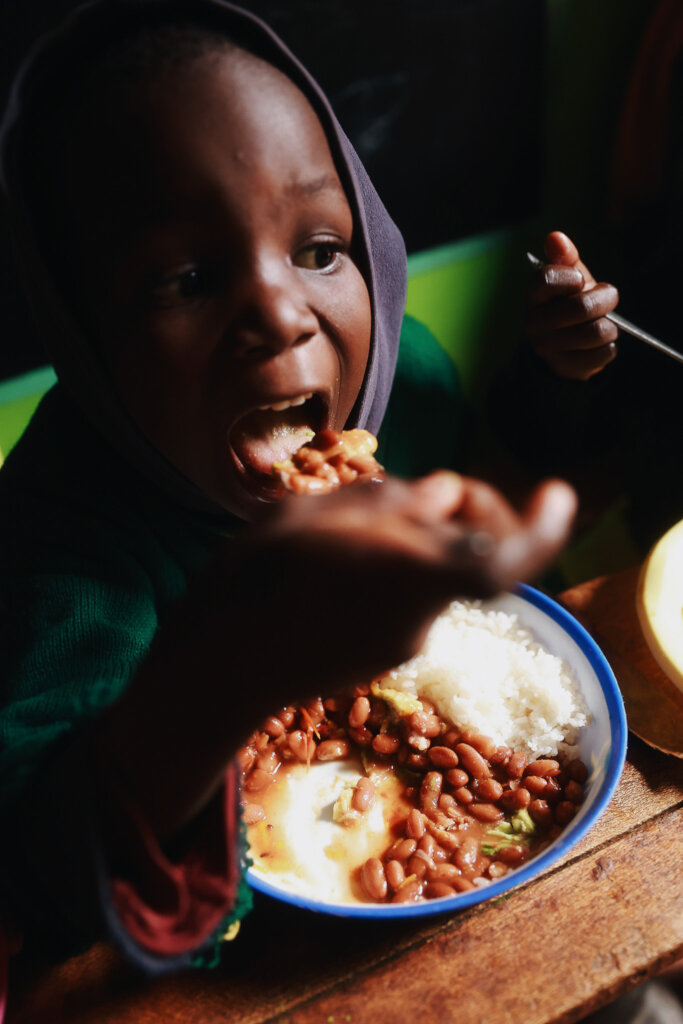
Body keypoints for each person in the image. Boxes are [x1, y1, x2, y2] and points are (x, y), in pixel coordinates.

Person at [0, 0, 614, 976]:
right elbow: (35, 861)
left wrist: (549, 379)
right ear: (85, 337)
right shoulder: (66, 540)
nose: (279, 314)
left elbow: (478, 489)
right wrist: (230, 662)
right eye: (184, 278)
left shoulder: (398, 375)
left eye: (319, 251)